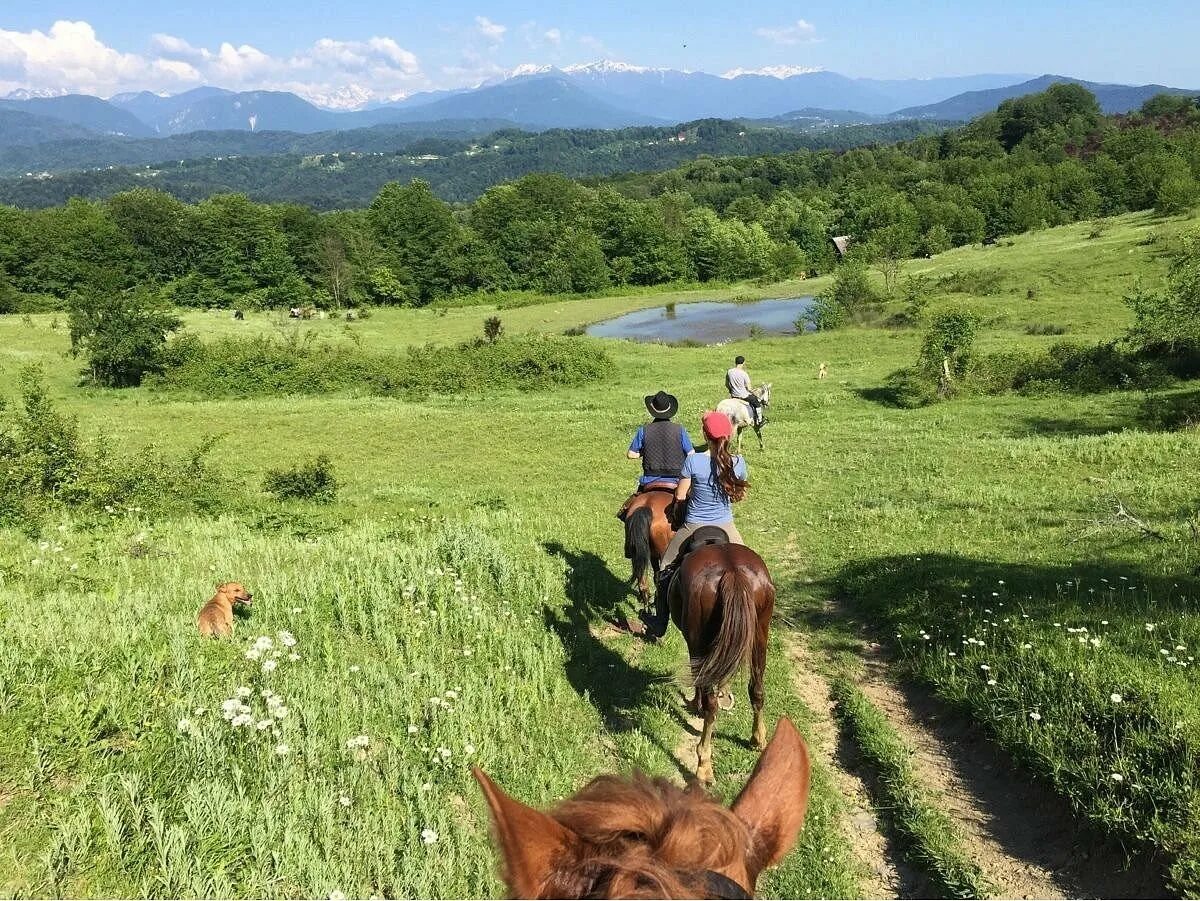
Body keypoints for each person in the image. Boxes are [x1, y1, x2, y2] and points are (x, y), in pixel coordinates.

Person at [645, 410, 748, 638]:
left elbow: (680, 496)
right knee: (747, 569)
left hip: (693, 525)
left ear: (704, 434)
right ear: (729, 435)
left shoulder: (693, 460)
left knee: (665, 567)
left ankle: (660, 621)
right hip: (726, 526)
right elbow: (737, 496)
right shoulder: (739, 462)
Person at [617, 391, 694, 519]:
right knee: (692, 512)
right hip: (676, 480)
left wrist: (643, 452)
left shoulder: (644, 430)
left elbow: (631, 454)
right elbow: (691, 453)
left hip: (649, 480)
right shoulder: (679, 429)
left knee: (628, 510)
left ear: (653, 410)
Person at [726, 355, 764, 426]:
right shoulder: (744, 374)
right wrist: (753, 391)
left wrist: (731, 390)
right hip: (744, 396)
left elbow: (727, 384)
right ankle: (760, 420)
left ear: (735, 362)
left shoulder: (729, 372)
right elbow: (749, 389)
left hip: (733, 395)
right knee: (757, 403)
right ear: (743, 363)